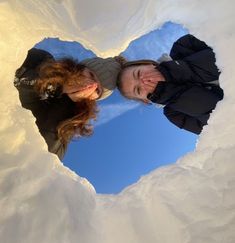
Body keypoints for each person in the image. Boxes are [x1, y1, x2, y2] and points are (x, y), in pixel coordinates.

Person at [14, 48, 122, 159]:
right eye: (91, 75)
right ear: (80, 68)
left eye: (97, 90)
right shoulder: (42, 60)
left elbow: (44, 155)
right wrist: (56, 85)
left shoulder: (67, 125)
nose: (89, 86)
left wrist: (66, 102)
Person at [117, 34, 224, 134]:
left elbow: (227, 46)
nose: (144, 81)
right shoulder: (174, 114)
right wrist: (172, 95)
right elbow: (221, 127)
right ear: (145, 100)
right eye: (138, 90)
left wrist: (174, 72)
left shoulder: (183, 46)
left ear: (148, 64)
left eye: (138, 73)